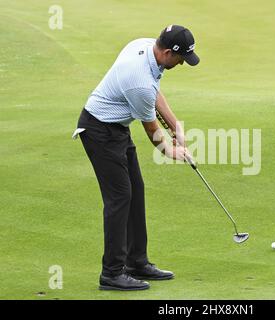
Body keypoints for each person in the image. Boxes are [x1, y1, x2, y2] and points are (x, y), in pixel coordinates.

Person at [73, 25, 200, 291]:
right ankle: (111, 273)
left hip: (116, 128)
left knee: (135, 190)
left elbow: (154, 92)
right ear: (167, 52)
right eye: (180, 59)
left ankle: (137, 261)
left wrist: (176, 126)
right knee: (119, 198)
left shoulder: (145, 47)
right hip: (98, 131)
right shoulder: (138, 79)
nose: (181, 63)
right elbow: (152, 128)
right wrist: (172, 151)